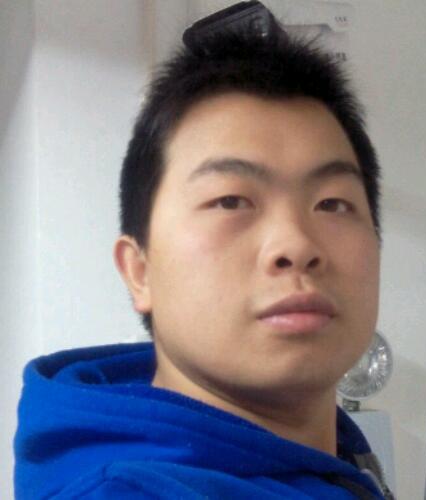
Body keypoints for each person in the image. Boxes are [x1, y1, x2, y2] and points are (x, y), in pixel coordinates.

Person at [14, 2, 394, 498]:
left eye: (332, 204)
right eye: (231, 201)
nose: (297, 245)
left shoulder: (335, 460)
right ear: (139, 271)